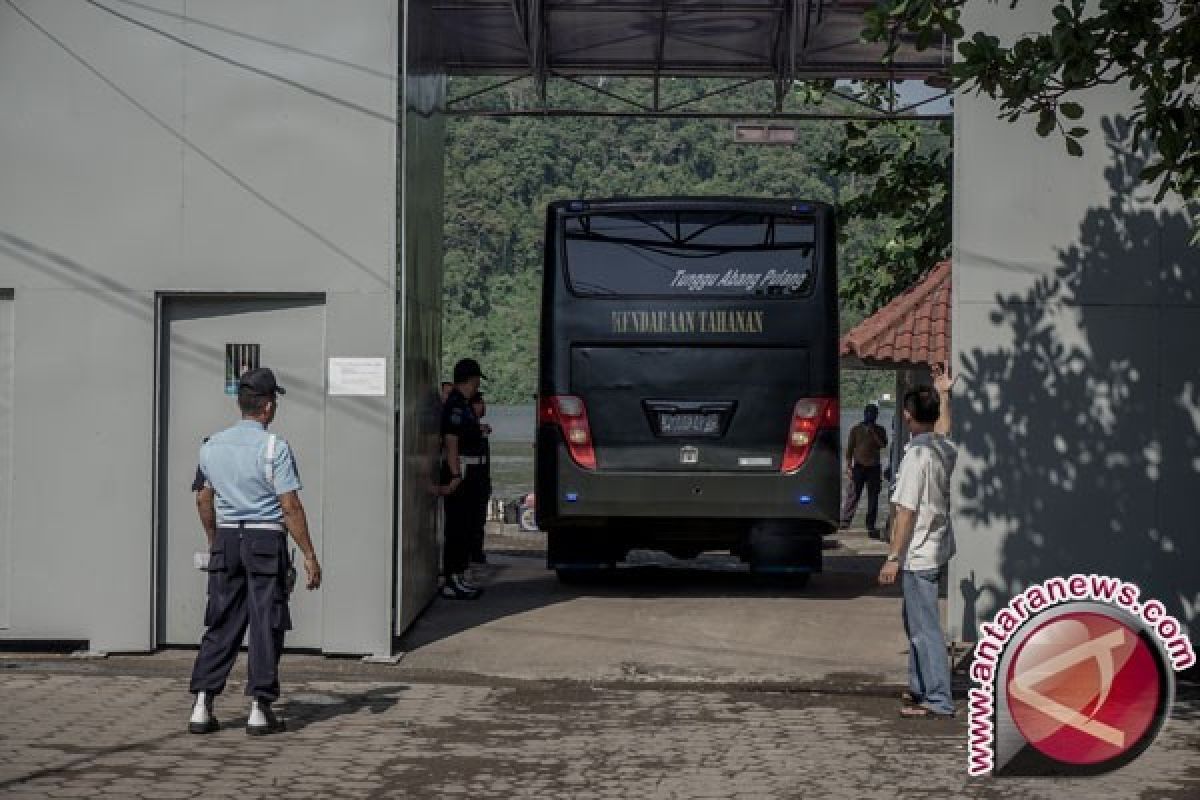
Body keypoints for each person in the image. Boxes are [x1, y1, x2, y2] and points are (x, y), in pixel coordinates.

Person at [188, 367, 322, 735]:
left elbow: (203, 499)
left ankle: (202, 703)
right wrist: (309, 553)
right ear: (266, 407)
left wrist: (215, 541)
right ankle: (259, 709)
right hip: (266, 541)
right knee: (266, 623)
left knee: (221, 623)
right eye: (274, 400)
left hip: (228, 540)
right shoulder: (274, 447)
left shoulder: (211, 445)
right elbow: (290, 505)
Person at [878, 364, 957, 719]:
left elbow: (905, 512)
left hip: (918, 552)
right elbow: (945, 429)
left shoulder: (916, 459)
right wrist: (945, 394)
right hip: (936, 547)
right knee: (917, 623)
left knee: (924, 629)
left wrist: (893, 556)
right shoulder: (940, 450)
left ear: (907, 416)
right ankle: (921, 687)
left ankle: (938, 698)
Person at [439, 358, 488, 599]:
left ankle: (459, 574)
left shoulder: (466, 404)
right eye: (477, 380)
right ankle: (451, 579)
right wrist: (456, 475)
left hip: (472, 473)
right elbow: (451, 442)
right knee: (457, 528)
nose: (478, 385)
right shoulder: (456, 405)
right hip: (463, 474)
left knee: (467, 526)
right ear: (471, 379)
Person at [841, 403, 889, 538]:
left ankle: (870, 524)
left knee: (873, 496)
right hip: (859, 467)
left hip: (874, 467)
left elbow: (883, 445)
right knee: (853, 494)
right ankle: (845, 521)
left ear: (876, 415)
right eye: (868, 413)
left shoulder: (880, 429)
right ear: (864, 413)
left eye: (873, 413)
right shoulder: (855, 429)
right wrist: (848, 466)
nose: (870, 415)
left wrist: (873, 433)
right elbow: (850, 449)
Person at [468, 391, 493, 565]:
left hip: (482, 480)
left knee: (478, 520)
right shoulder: (470, 427)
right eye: (480, 403)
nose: (484, 406)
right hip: (473, 481)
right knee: (473, 520)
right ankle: (473, 553)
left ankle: (477, 552)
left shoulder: (478, 427)